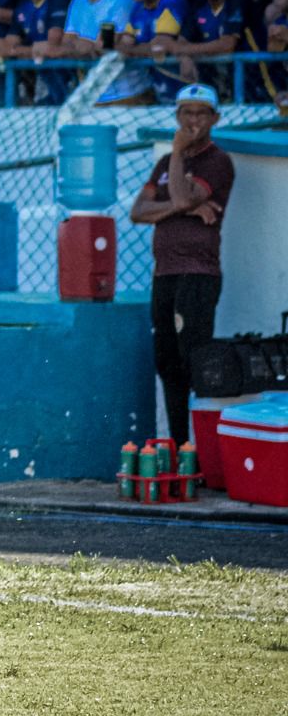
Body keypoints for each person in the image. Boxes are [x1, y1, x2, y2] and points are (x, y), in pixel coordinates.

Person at [130, 84, 231, 446]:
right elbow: (138, 212)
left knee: (195, 361)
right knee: (167, 363)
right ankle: (178, 446)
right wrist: (180, 207)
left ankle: (205, 450)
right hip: (165, 274)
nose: (193, 120)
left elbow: (184, 195)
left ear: (214, 119)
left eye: (201, 113)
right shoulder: (163, 166)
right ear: (177, 116)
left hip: (197, 274)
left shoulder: (217, 162)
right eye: (186, 112)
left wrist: (176, 158)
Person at [0, 0, 72, 104]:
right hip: (45, 81)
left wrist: (16, 51)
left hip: (70, 78)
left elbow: (53, 47)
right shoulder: (22, 8)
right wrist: (16, 50)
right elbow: (7, 47)